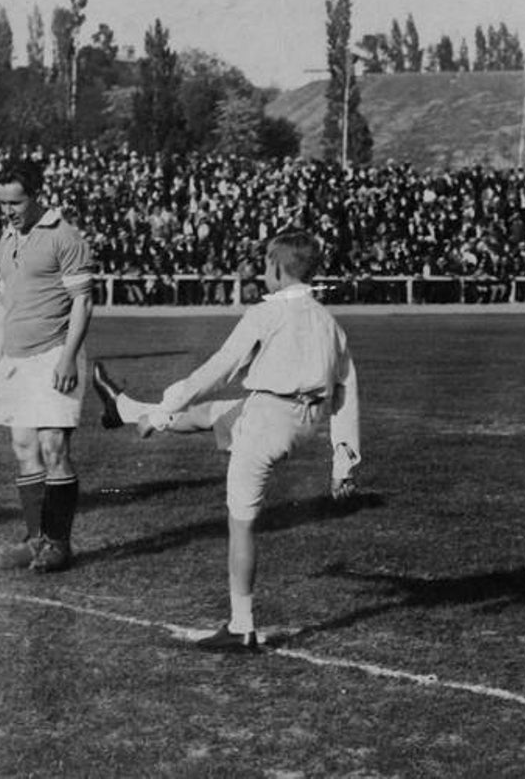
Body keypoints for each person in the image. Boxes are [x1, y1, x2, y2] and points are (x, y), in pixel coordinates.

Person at [92, 229, 360, 652]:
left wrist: (164, 409)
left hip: (268, 421)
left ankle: (242, 626)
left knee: (241, 524)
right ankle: (124, 409)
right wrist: (344, 458)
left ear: (275, 268)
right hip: (299, 422)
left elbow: (216, 369)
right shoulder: (330, 323)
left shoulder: (265, 314)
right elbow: (347, 390)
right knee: (211, 415)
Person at [0, 158, 95, 573]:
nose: (9, 210)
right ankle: (34, 540)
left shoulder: (65, 236)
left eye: (15, 202)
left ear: (35, 196)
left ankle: (58, 543)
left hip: (54, 352)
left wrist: (68, 357)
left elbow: (84, 302)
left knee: (54, 447)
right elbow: (4, 301)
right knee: (23, 448)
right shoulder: (6, 238)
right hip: (15, 357)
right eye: (3, 203)